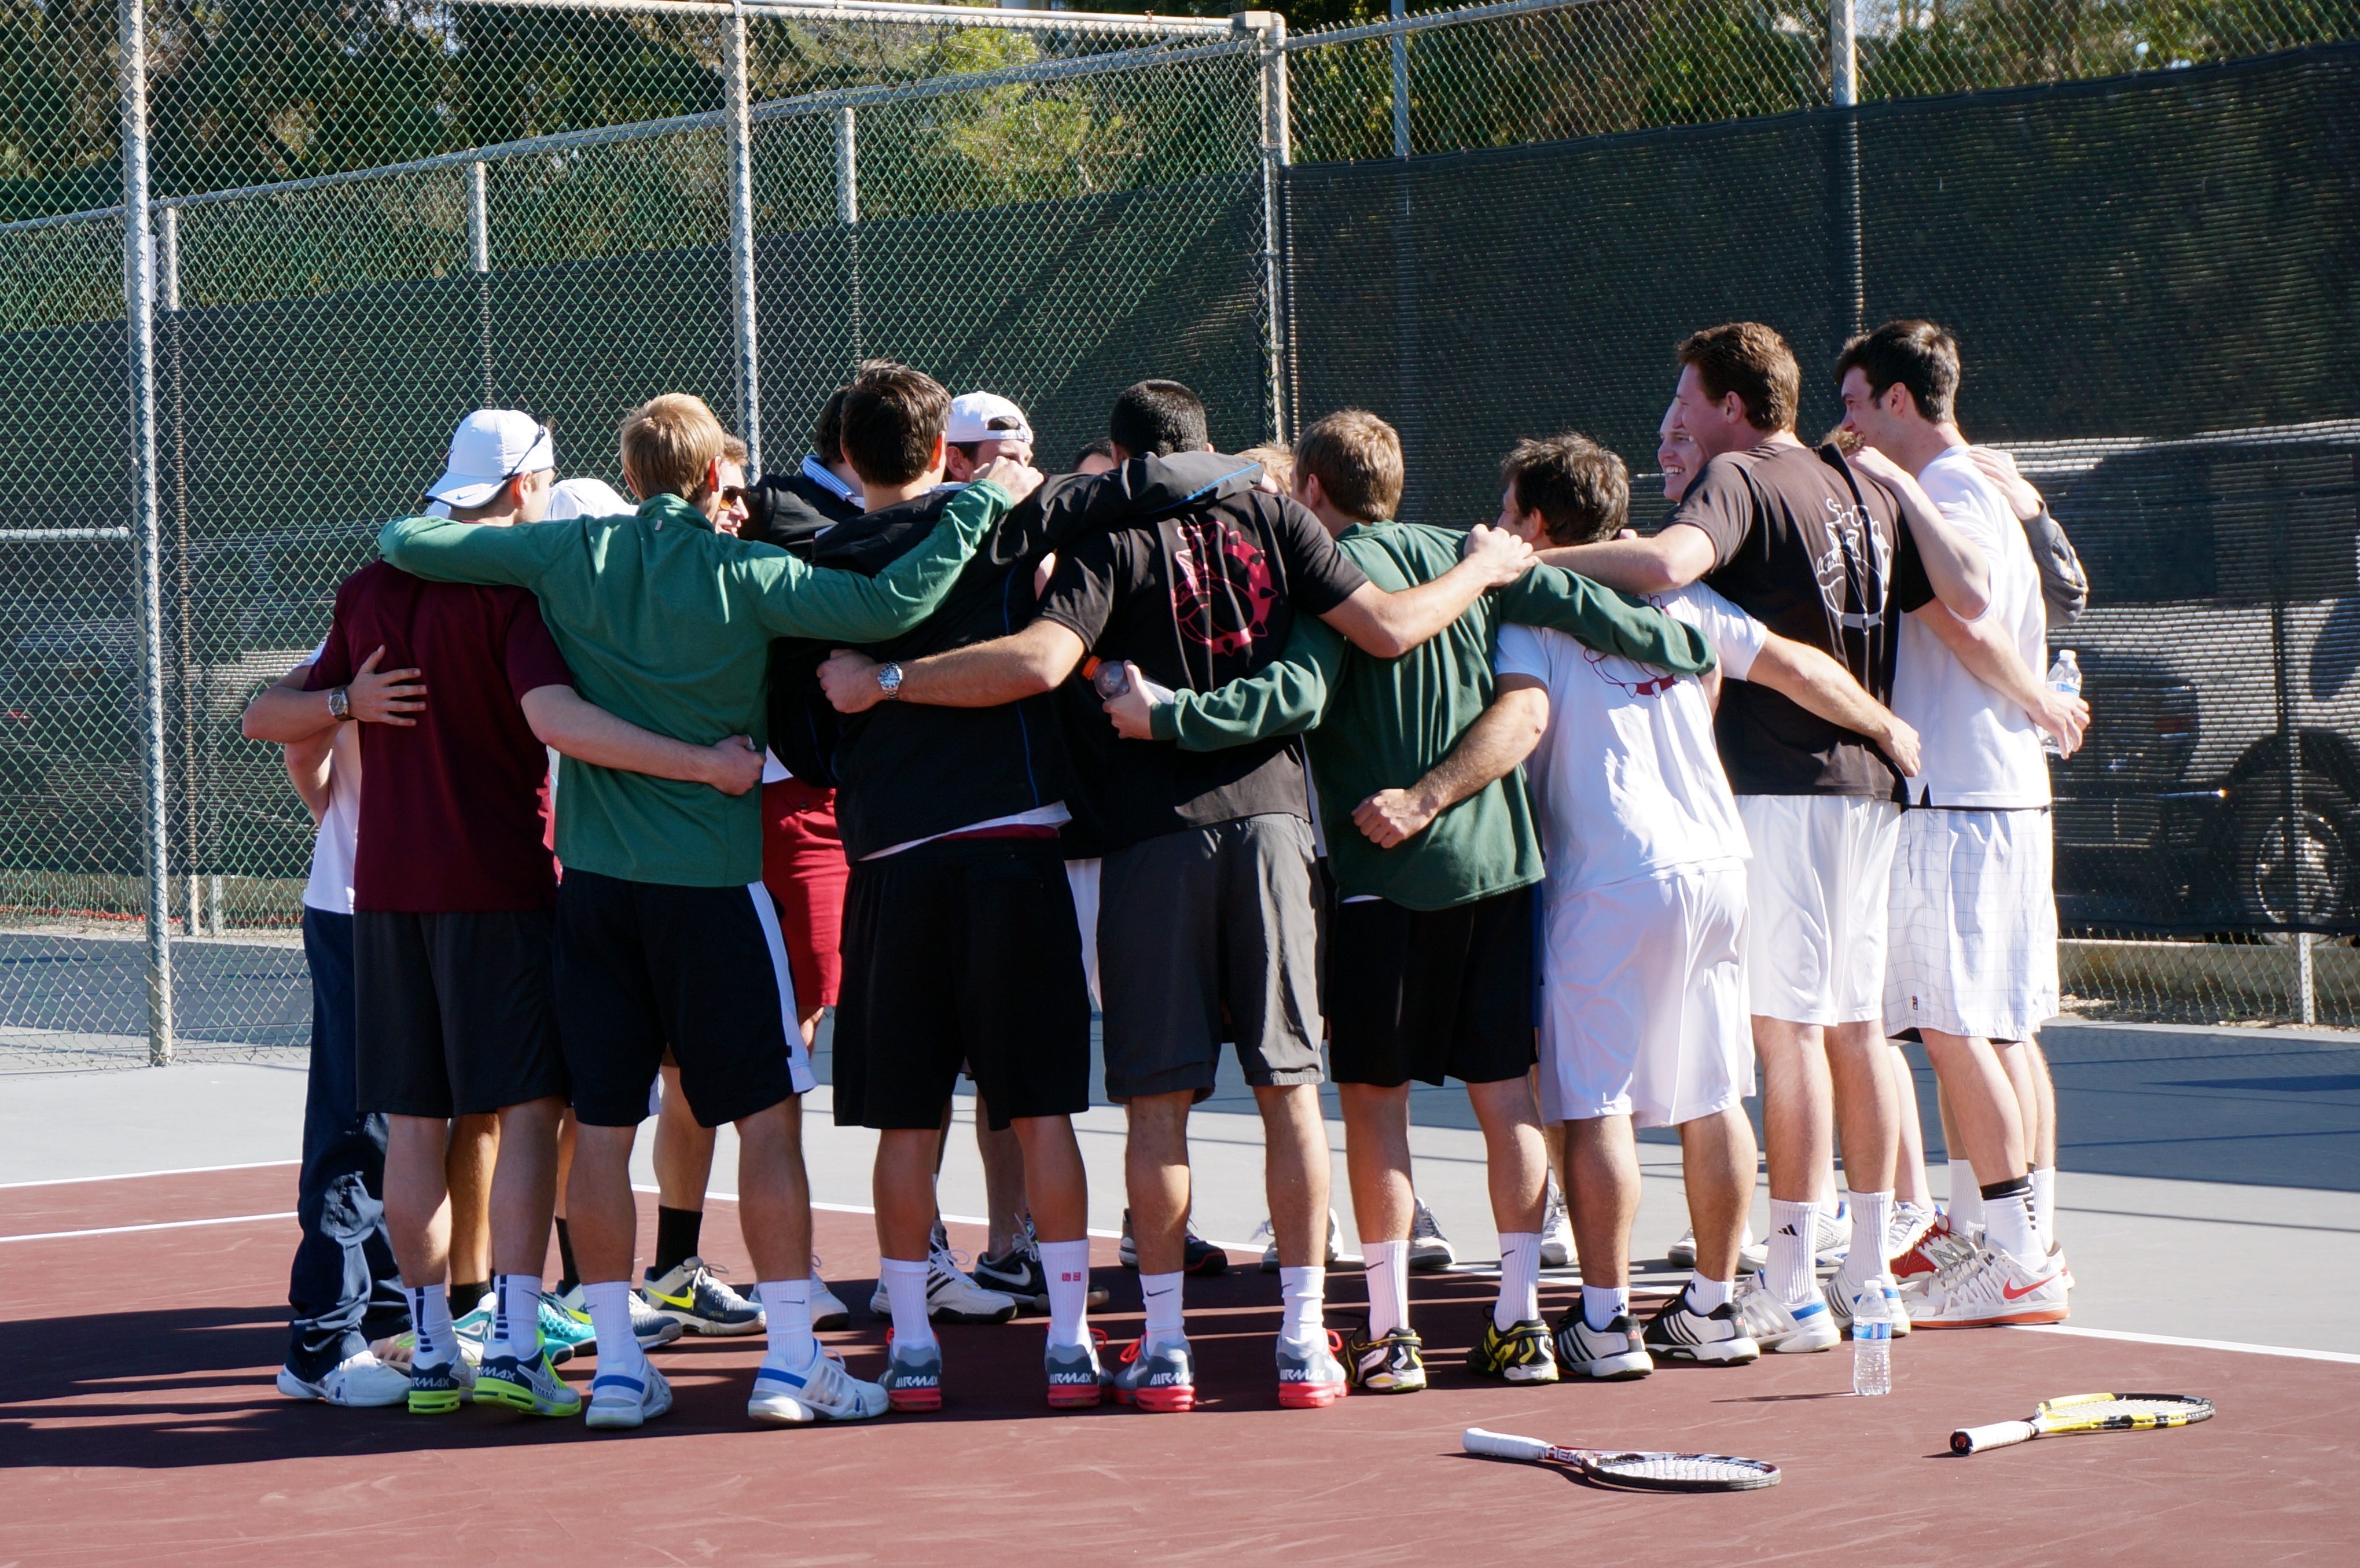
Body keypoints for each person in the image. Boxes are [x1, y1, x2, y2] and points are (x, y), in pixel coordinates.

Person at [813, 378, 1545, 1411]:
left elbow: (1041, 661)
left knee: (1153, 1105)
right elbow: (1385, 629)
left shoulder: (1107, 536)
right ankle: (1302, 1340)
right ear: (1206, 446)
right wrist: (1483, 565)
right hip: (1274, 827)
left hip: (1149, 837)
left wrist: (888, 681)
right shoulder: (1277, 516)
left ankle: (1162, 1349)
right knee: (1290, 1091)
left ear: (1123, 459)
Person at [378, 391, 1026, 1430]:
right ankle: (789, 1362)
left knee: (602, 1128)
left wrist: (485, 521)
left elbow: (406, 538)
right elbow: (890, 604)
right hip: (713, 887)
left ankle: (618, 1367)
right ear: (716, 478)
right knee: (768, 1119)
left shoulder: (569, 553)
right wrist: (980, 502)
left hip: (595, 892)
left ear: (630, 476)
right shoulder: (745, 572)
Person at [1101, 410, 1716, 1393]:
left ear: (1310, 492)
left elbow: (1294, 695)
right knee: (1506, 1097)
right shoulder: (1473, 558)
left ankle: (1390, 1335)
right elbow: (1600, 610)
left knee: (1376, 1107)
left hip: (1379, 880)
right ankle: (1519, 1321)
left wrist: (1169, 715)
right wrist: (1677, 646)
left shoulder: (1327, 577)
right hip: (1498, 870)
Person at [1534, 322, 1993, 1352]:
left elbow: (1666, 562)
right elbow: (1964, 595)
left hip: (1782, 785)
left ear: (1731, 407)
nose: (1676, 421)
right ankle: (1866, 1276)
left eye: (1685, 401)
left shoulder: (1739, 478)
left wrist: (1518, 563)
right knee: (1856, 1032)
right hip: (1869, 783)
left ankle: (1789, 1284)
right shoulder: (1861, 484)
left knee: (1784, 1035)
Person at [1466, 431, 1921, 1376]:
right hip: (1716, 865)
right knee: (1713, 1093)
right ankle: (1712, 1306)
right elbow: (1798, 668)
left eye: (1507, 512)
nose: (1497, 527)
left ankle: (1604, 1322)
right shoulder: (1684, 602)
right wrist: (1883, 722)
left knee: (1593, 1101)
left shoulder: (1521, 610)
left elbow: (1522, 720)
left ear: (1535, 525)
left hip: (1606, 872)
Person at [1832, 319, 2082, 1326]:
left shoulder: (1934, 492)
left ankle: (2016, 1255)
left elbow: (1962, 617)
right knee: (2001, 1023)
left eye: (1854, 404)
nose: (1845, 426)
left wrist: (2032, 697)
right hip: (1996, 790)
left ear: (1897, 399)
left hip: (1960, 793)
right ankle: (2014, 1239)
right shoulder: (1979, 483)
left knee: (1950, 1021)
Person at [245, 643, 417, 1405]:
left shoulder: (478, 609)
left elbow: (297, 747)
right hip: (359, 911)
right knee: (356, 1120)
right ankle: (319, 1345)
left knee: (402, 1121)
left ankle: (388, 1319)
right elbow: (270, 721)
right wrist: (346, 701)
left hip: (424, 908)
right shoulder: (377, 622)